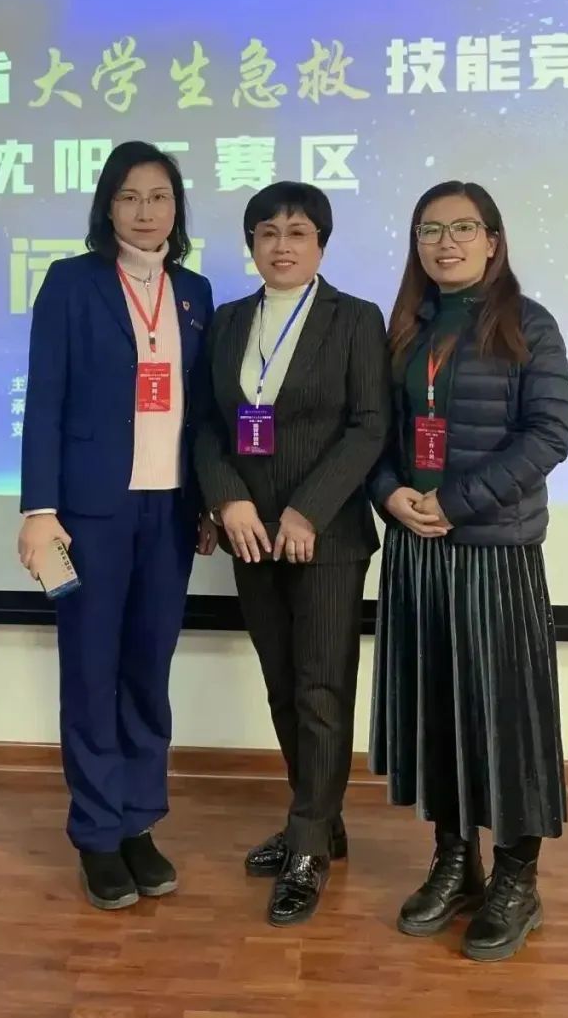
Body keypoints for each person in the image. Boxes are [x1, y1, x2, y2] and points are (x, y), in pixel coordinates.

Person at [370, 180, 568, 963]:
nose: (446, 242)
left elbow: (549, 433)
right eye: (431, 229)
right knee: (437, 710)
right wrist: (390, 492)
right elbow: (378, 433)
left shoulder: (528, 323)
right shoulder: (405, 328)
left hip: (494, 549)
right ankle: (457, 861)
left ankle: (517, 878)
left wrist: (454, 502)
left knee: (506, 715)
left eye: (462, 227)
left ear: (493, 239)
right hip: (416, 549)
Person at [17, 140, 215, 913]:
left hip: (169, 511)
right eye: (129, 196)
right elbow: (45, 401)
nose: (144, 210)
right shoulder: (72, 283)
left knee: (147, 671)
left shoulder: (193, 291)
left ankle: (140, 820)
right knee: (92, 672)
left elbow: (203, 411)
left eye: (159, 196)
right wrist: (39, 510)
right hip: (90, 514)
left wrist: (206, 500)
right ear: (107, 205)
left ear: (176, 207)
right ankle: (98, 833)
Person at [195, 181, 391, 928]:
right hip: (251, 534)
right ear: (251, 243)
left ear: (321, 244)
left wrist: (310, 509)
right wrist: (228, 500)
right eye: (267, 232)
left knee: (321, 689)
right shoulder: (228, 321)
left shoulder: (356, 319)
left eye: (298, 232)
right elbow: (208, 426)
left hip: (326, 536)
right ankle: (319, 818)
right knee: (283, 685)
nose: (282, 245)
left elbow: (369, 426)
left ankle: (307, 843)